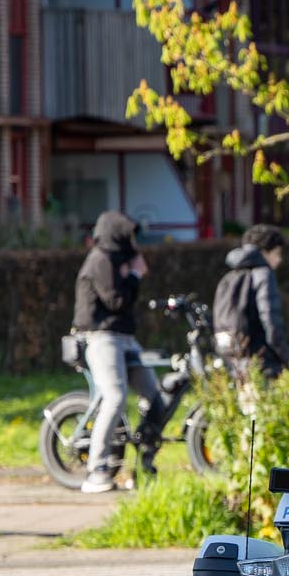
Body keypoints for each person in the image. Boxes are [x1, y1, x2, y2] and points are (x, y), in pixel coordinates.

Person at [74, 210, 166, 494]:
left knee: (154, 397)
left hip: (123, 336)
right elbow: (115, 301)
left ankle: (145, 462)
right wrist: (135, 275)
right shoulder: (100, 259)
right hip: (101, 337)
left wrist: (131, 274)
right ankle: (97, 471)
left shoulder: (116, 261)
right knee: (115, 397)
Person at [213, 223, 289, 379]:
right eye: (277, 253)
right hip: (258, 355)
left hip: (230, 350)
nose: (279, 260)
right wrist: (284, 357)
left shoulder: (231, 275)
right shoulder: (264, 274)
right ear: (264, 252)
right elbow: (270, 319)